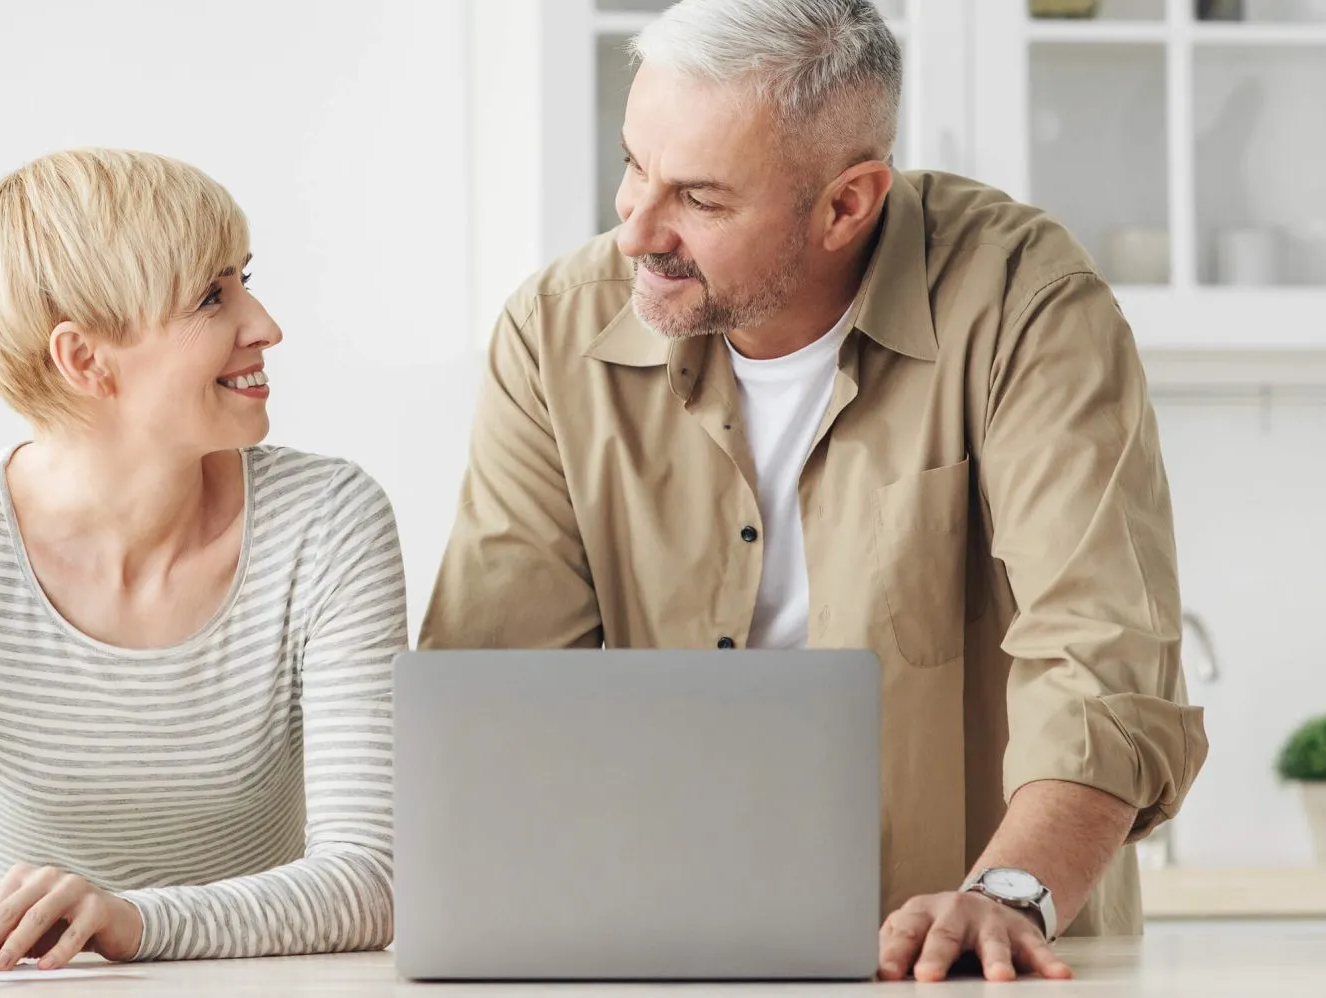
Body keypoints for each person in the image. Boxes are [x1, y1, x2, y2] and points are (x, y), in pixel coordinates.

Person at [420, 0, 1206, 984]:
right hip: (664, 949)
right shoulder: (554, 334)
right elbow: (500, 691)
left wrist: (1008, 891)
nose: (634, 229)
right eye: (631, 163)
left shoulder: (1023, 302)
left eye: (699, 200)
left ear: (847, 203)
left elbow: (1102, 648)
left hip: (970, 961)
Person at [0, 148, 404, 977]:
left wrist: (130, 921)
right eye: (212, 296)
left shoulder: (328, 522)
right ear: (84, 360)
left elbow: (371, 880)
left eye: (244, 279)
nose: (264, 324)